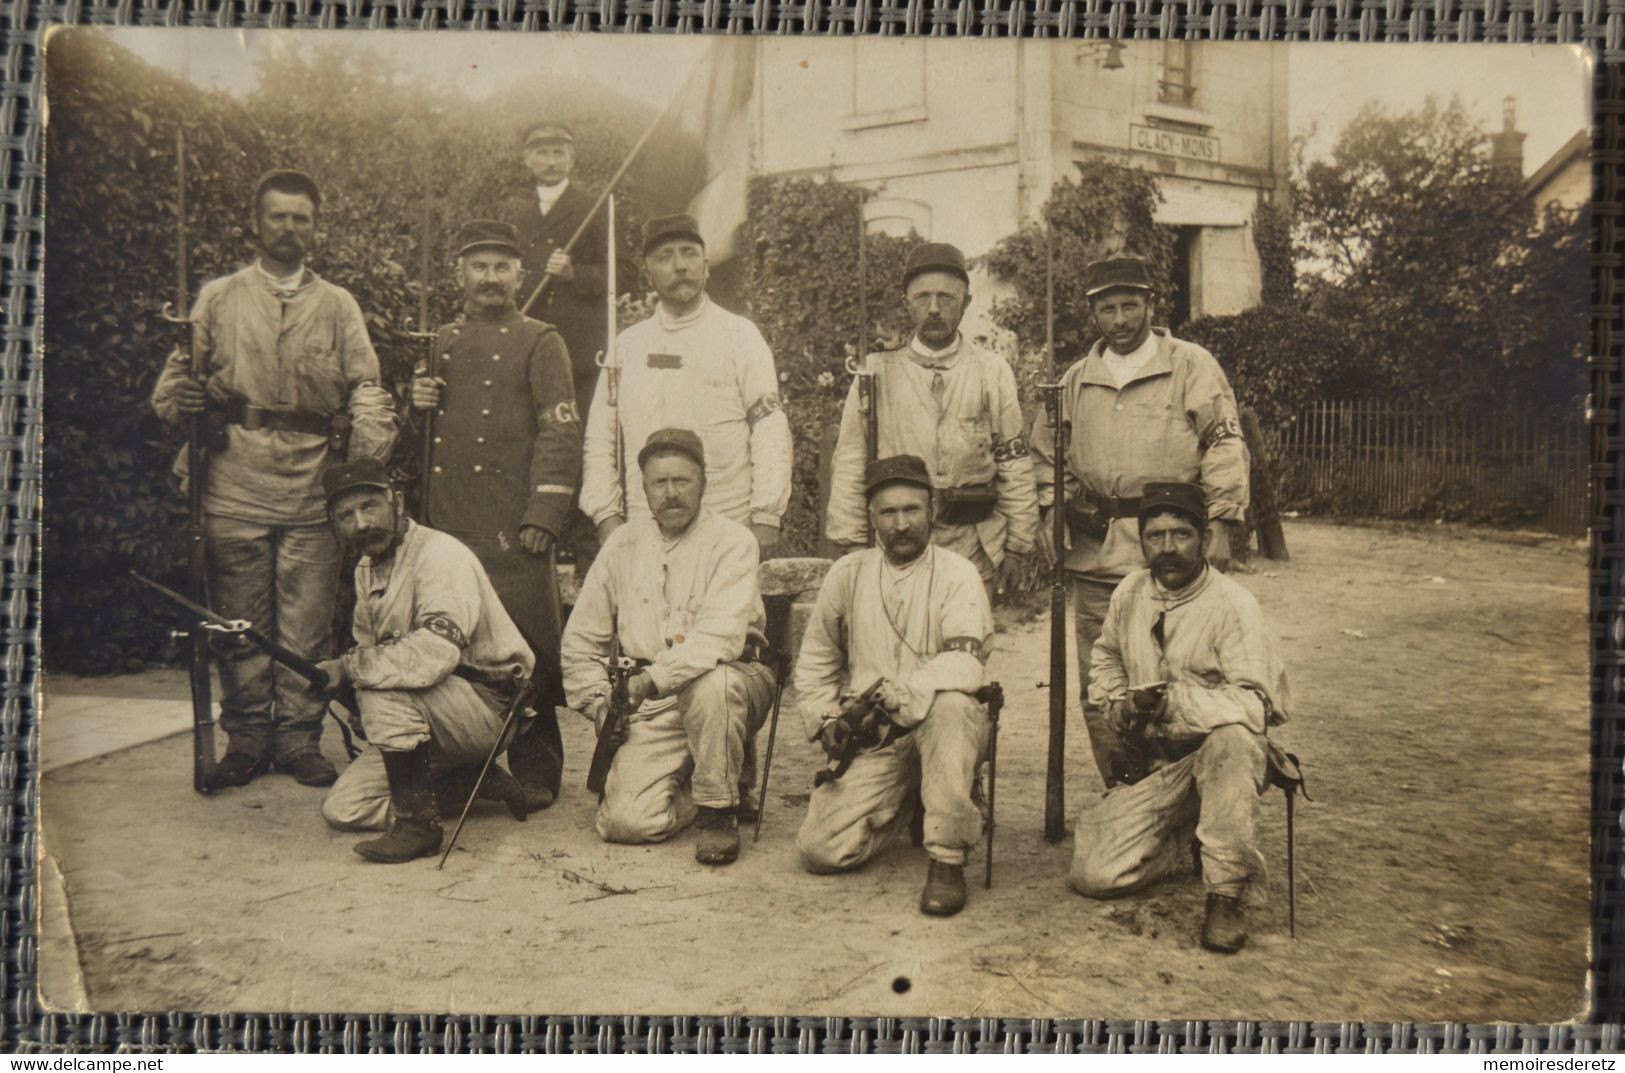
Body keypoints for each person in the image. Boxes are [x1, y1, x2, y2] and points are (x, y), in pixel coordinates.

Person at [150, 169, 397, 790]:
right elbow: (170, 392)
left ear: (315, 227)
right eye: (278, 216)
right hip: (232, 481)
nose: (289, 227)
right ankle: (248, 739)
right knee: (238, 622)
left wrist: (361, 465)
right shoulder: (219, 299)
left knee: (308, 622)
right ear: (257, 224)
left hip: (312, 487)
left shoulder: (338, 305)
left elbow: (366, 389)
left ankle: (298, 740)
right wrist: (183, 398)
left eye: (301, 218)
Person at [1030, 253, 1249, 787]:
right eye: (1108, 309)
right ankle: (1124, 790)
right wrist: (1050, 508)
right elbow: (1045, 454)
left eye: (1131, 305)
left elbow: (1222, 441)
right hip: (1099, 553)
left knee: (1185, 671)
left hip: (1174, 549)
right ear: (1093, 314)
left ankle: (1186, 792)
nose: (1121, 320)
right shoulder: (1075, 381)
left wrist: (1220, 520)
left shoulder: (1190, 365)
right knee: (1103, 681)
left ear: (1151, 304)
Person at [1068, 482, 1290, 953]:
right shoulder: (1130, 591)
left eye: (1181, 535)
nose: (1167, 548)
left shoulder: (1233, 605)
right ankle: (1185, 831)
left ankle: (1225, 894)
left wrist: (1175, 702)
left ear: (1205, 538)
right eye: (1155, 536)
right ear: (1142, 540)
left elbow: (1256, 705)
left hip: (1219, 758)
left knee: (1232, 739)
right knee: (1093, 873)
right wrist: (1118, 703)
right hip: (1159, 767)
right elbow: (1105, 656)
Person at [410, 219, 580, 811]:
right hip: (449, 524)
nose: (490, 277)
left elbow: (560, 432)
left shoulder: (541, 339)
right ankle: (465, 767)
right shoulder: (439, 341)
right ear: (460, 275)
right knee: (453, 646)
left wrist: (546, 510)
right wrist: (417, 405)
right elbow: (421, 447)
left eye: (501, 267)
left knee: (526, 644)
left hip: (514, 525)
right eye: (478, 266)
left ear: (519, 275)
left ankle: (538, 764)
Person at [561, 428, 777, 865]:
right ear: (643, 488)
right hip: (650, 702)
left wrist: (651, 680)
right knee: (625, 824)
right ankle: (713, 777)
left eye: (683, 481)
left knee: (712, 685)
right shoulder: (622, 543)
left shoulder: (734, 541)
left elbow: (717, 638)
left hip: (729, 682)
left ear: (704, 482)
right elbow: (581, 639)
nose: (671, 493)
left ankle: (719, 811)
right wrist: (601, 703)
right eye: (659, 483)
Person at [796, 455, 995, 917]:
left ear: (933, 511)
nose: (901, 524)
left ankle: (947, 857)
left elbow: (966, 665)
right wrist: (827, 718)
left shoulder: (957, 573)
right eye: (888, 513)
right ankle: (913, 798)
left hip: (943, 728)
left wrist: (902, 694)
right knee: (821, 851)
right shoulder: (847, 574)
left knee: (949, 706)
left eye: (912, 510)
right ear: (871, 518)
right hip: (876, 736)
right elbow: (815, 666)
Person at [316, 458, 537, 864]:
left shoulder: (440, 555)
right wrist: (353, 691)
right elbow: (370, 650)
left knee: (384, 687)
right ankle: (467, 782)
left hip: (488, 705)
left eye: (370, 506)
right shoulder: (367, 568)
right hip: (429, 715)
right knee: (345, 809)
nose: (361, 523)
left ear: (396, 501)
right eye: (346, 515)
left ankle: (418, 826)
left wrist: (349, 671)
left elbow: (434, 655)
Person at [826, 242, 1039, 599]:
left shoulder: (991, 371)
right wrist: (850, 544)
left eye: (947, 297)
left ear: (967, 302)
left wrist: (1018, 544)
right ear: (906, 302)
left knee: (965, 646)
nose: (935, 309)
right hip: (894, 544)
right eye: (923, 298)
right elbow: (850, 460)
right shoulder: (876, 373)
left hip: (972, 546)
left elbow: (1013, 461)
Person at [579, 215, 792, 552]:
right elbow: (600, 438)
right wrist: (605, 514)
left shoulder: (739, 336)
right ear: (648, 274)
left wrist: (766, 514)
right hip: (646, 530)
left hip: (728, 526)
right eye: (665, 257)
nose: (680, 266)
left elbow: (770, 427)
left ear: (706, 266)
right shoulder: (627, 346)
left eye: (689, 253)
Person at [509, 122, 614, 422]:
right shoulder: (517, 214)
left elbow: (627, 273)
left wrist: (575, 274)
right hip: (528, 339)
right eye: (543, 153)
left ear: (572, 158)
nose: (552, 161)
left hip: (579, 350)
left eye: (559, 152)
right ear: (527, 159)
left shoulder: (594, 207)